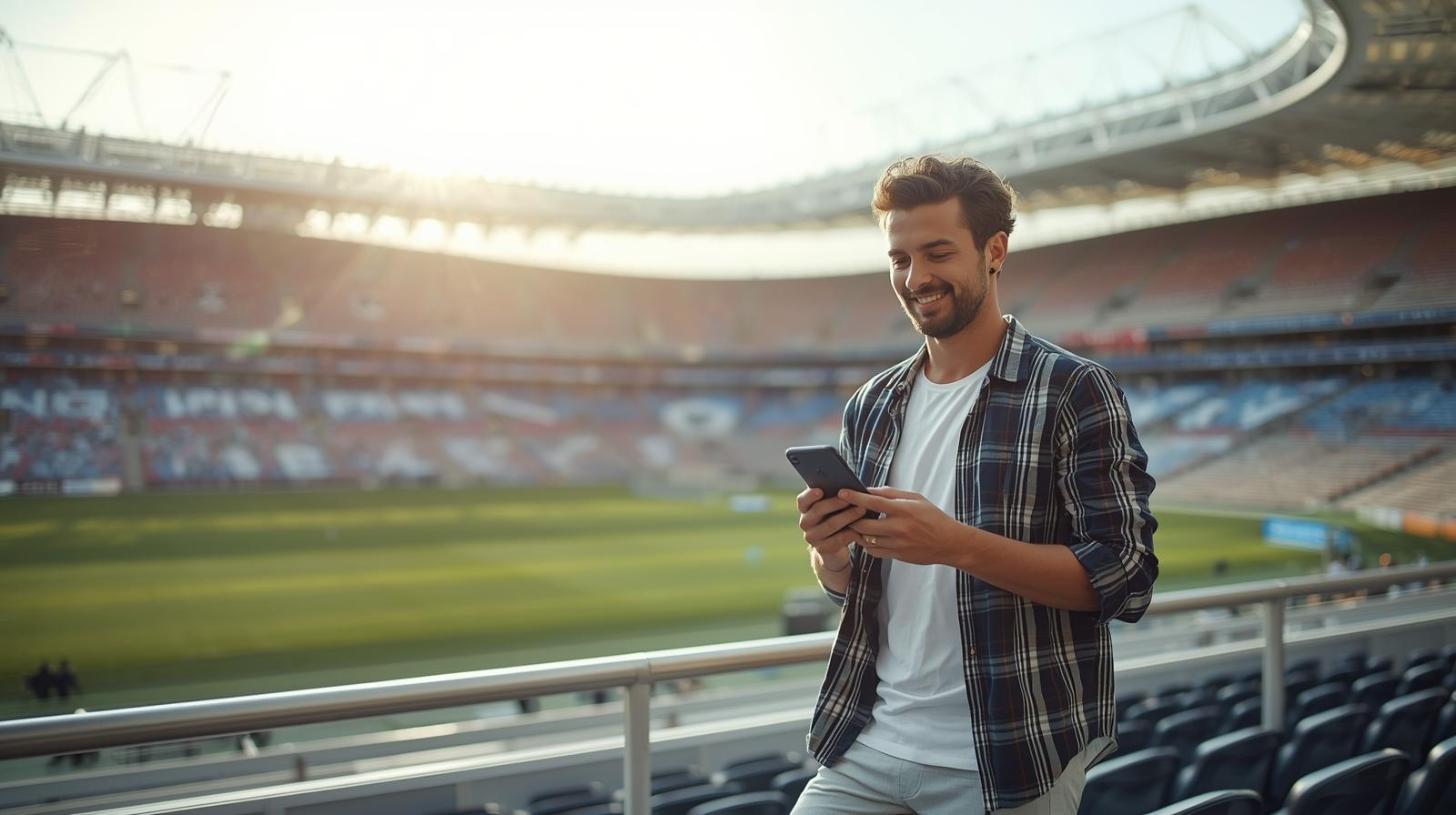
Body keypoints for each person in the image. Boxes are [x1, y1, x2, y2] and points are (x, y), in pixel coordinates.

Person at [794, 156, 1159, 814]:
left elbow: (1126, 574)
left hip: (1008, 756)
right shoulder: (871, 405)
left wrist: (957, 544)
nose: (915, 277)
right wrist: (830, 553)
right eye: (899, 257)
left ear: (995, 251)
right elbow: (854, 587)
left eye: (937, 253)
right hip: (870, 743)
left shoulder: (1073, 389)